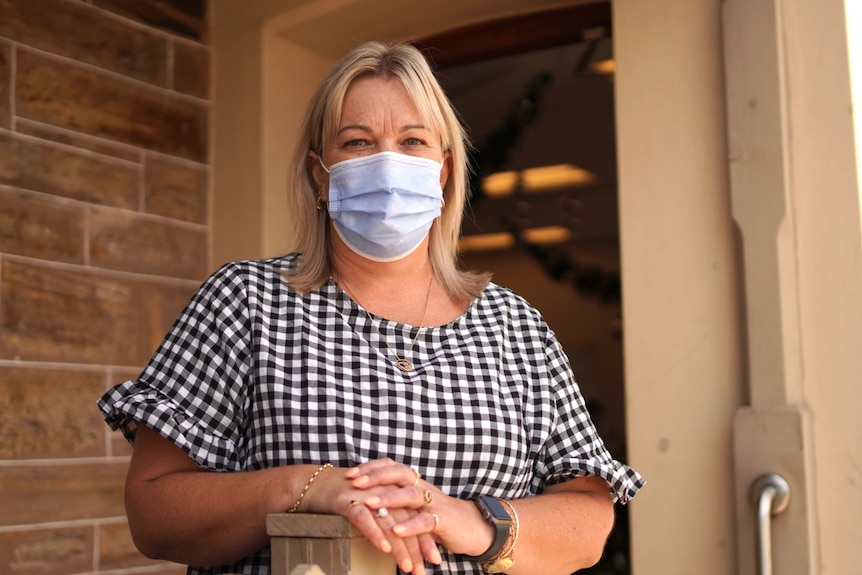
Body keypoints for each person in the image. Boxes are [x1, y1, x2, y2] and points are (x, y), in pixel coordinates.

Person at [97, 40, 644, 575]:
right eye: (358, 142)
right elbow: (153, 512)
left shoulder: (515, 328)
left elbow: (589, 521)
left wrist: (461, 519)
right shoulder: (244, 302)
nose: (387, 163)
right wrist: (310, 487)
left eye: (412, 142)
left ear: (444, 172)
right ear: (320, 174)